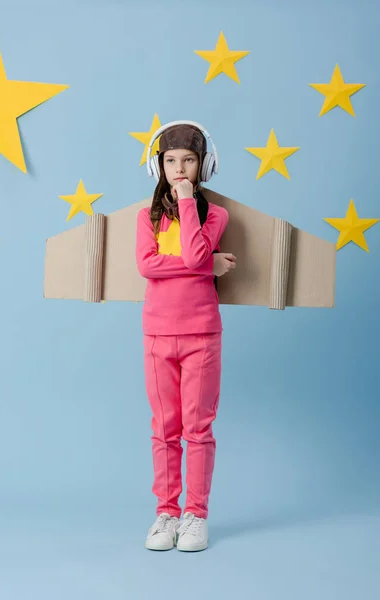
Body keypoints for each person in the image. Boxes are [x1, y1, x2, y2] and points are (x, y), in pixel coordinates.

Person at [135, 121, 236, 552]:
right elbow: (146, 265)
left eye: (189, 161)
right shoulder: (147, 216)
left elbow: (194, 251)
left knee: (198, 428)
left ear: (203, 166)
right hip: (158, 334)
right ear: (158, 165)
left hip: (201, 336)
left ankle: (195, 514)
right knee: (164, 429)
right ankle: (167, 513)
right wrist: (205, 267)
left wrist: (187, 201)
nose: (179, 169)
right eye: (171, 161)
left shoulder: (215, 214)